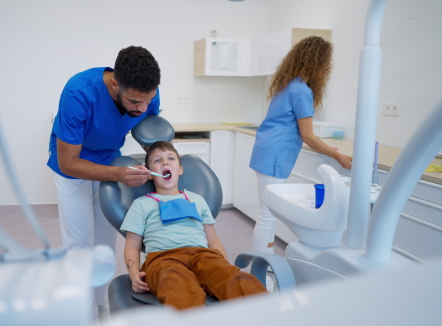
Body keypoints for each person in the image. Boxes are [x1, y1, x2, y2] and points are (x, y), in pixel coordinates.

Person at [47, 46, 161, 319]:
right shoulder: (79, 93)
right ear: (114, 84)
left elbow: (151, 125)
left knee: (105, 243)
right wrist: (119, 175)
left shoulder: (146, 91)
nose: (142, 108)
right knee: (80, 244)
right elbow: (68, 162)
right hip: (73, 166)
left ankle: (103, 307)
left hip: (110, 159)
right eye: (135, 102)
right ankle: (83, 314)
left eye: (148, 101)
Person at [121, 141, 267, 310]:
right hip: (162, 260)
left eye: (171, 158)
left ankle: (264, 315)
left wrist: (224, 265)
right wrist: (134, 275)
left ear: (180, 169)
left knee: (235, 279)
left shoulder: (197, 199)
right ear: (151, 174)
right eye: (157, 160)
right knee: (177, 284)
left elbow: (212, 239)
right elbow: (132, 244)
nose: (165, 162)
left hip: (203, 255)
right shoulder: (142, 204)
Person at [249, 37, 353, 265]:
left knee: (267, 214)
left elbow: (299, 131)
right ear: (318, 63)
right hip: (275, 155)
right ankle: (260, 268)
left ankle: (264, 263)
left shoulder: (286, 85)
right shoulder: (301, 91)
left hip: (267, 150)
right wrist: (337, 155)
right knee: (268, 215)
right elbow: (308, 135)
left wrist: (325, 148)